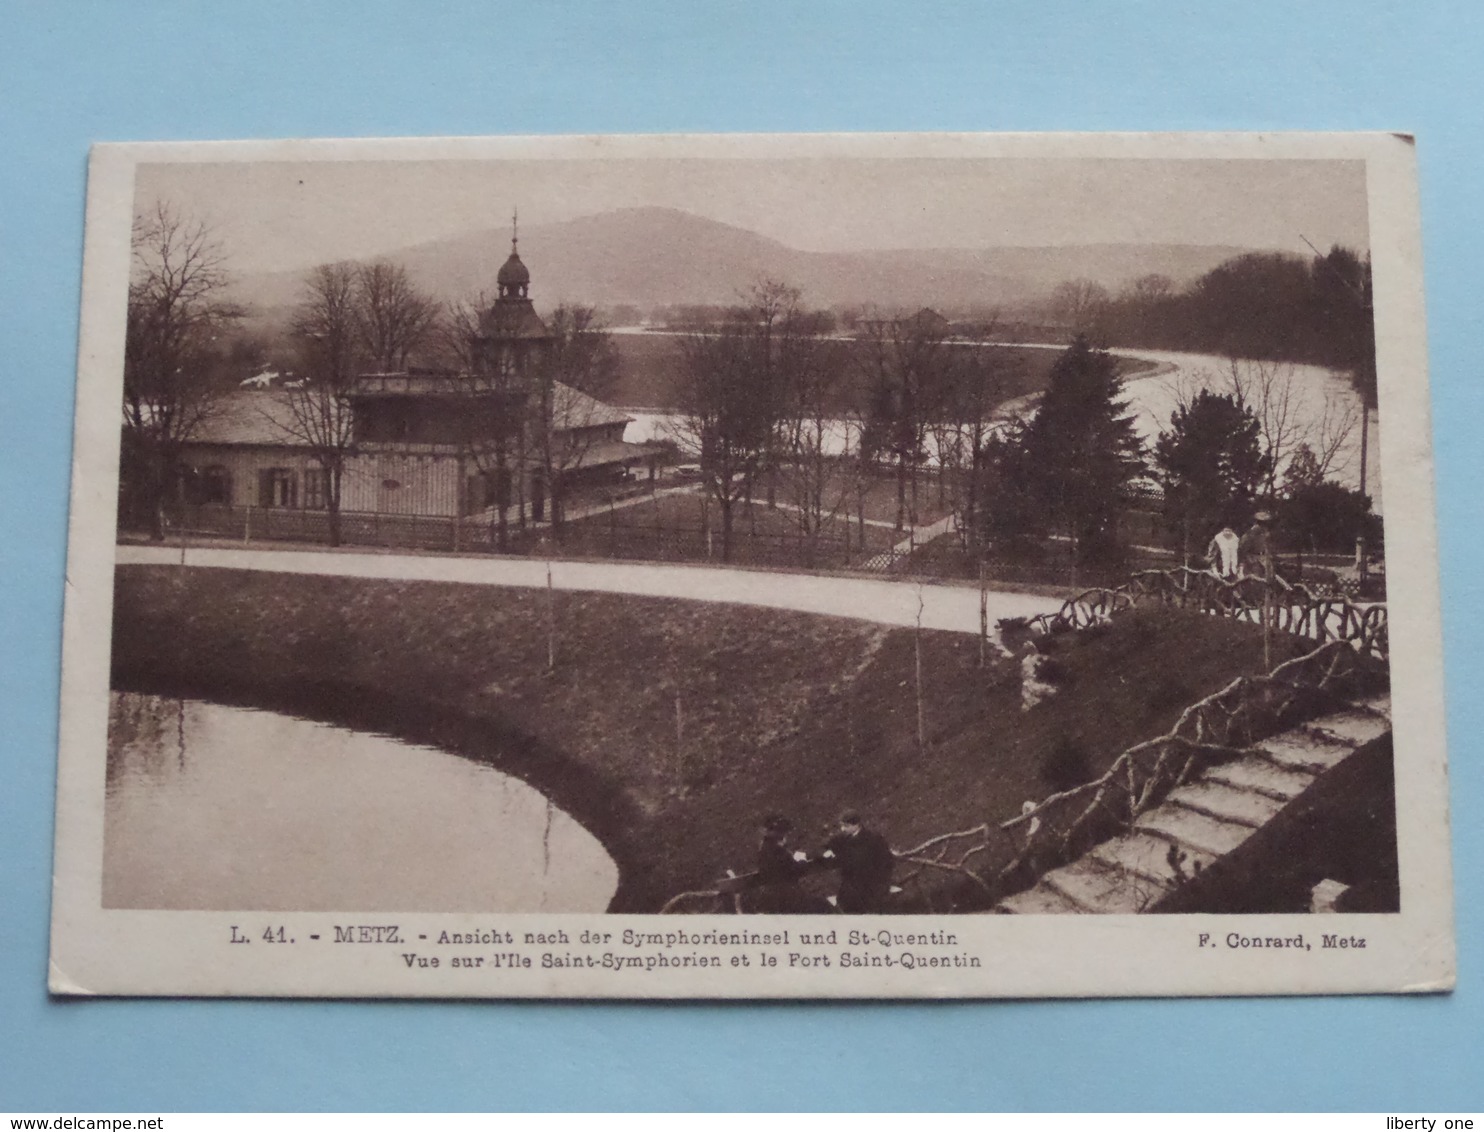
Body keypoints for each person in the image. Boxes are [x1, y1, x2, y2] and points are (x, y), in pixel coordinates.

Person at [815, 810, 896, 914]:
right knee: (846, 902)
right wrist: (826, 852)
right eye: (842, 826)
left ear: (856, 825)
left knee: (861, 903)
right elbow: (823, 847)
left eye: (846, 826)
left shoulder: (873, 838)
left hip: (872, 883)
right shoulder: (842, 838)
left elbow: (887, 862)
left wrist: (881, 882)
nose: (842, 829)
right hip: (851, 883)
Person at [744, 814, 817, 913]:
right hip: (787, 897)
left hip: (770, 897)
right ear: (782, 836)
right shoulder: (779, 851)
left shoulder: (763, 849)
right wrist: (802, 860)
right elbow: (796, 870)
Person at [1239, 510, 1273, 578]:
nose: (1264, 525)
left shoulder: (1265, 533)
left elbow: (1266, 546)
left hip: (1264, 558)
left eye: (1265, 523)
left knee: (1269, 578)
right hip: (1253, 560)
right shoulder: (1250, 534)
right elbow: (1243, 549)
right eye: (1262, 523)